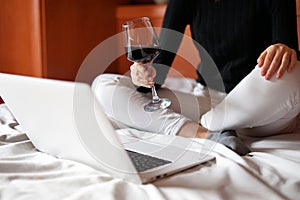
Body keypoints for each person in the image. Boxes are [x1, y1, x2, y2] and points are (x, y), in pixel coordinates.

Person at [92, 0, 300, 155]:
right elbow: (159, 70)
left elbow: (289, 56)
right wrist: (142, 75)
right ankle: (201, 134)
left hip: (260, 107)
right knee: (103, 85)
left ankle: (215, 123)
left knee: (296, 72)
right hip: (209, 101)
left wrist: (283, 50)